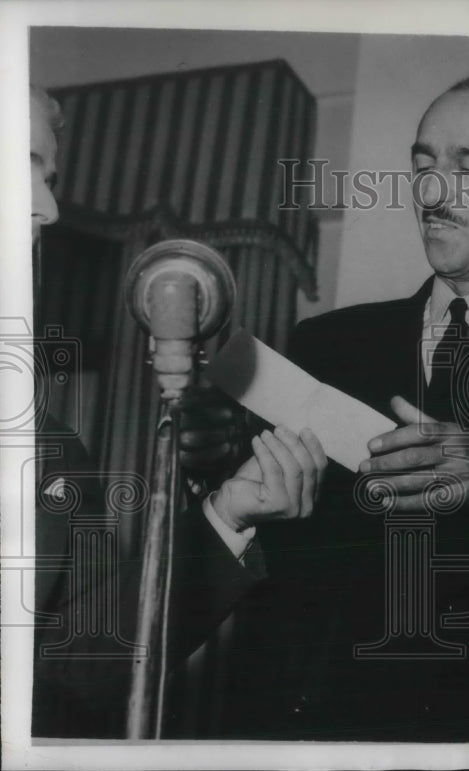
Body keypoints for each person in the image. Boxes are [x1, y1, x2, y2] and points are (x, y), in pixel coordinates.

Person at [173, 75, 469, 740]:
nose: (433, 191)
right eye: (423, 164)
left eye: (468, 166)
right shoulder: (324, 342)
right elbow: (249, 553)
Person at [27, 85, 326, 738]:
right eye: (21, 164)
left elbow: (84, 662)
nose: (46, 207)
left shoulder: (49, 450)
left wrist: (225, 514)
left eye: (47, 177)